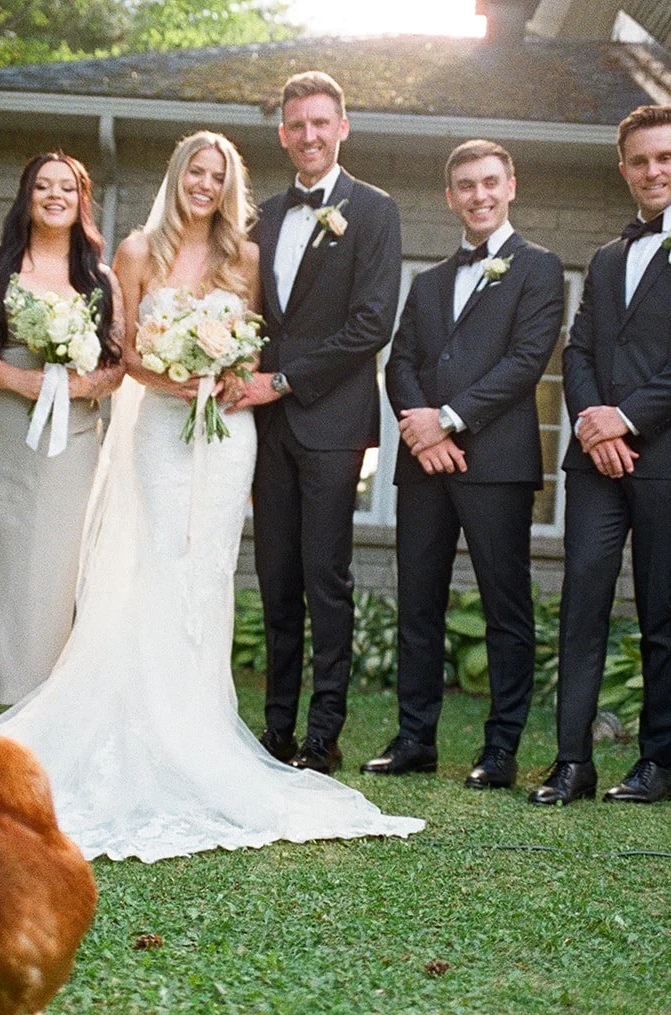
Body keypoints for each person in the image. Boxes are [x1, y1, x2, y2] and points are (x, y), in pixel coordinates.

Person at [0, 131, 423, 861]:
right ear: (176, 177)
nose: (204, 184)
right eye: (193, 172)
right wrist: (169, 370)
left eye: (216, 174)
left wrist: (229, 366)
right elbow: (126, 351)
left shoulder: (247, 255)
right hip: (157, 430)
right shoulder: (138, 251)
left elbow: (265, 340)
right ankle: (120, 716)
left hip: (226, 432)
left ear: (229, 184)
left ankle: (198, 724)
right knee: (144, 566)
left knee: (203, 575)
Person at [530, 106, 671, 807]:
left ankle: (657, 765)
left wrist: (625, 418)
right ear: (623, 168)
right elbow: (583, 348)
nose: (652, 171)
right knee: (583, 598)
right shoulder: (606, 255)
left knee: (662, 603)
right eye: (638, 160)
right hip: (596, 461)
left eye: (665, 158)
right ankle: (573, 762)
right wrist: (595, 427)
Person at [365, 140, 563, 790]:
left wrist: (446, 421)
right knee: (417, 602)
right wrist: (422, 434)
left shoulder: (539, 269)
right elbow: (401, 363)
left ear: (511, 185)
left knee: (505, 607)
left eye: (489, 183)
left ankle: (500, 749)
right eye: (466, 186)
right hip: (424, 467)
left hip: (495, 464)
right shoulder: (427, 282)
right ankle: (415, 738)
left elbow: (525, 361)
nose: (478, 195)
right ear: (451, 197)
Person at [225, 71, 402, 775]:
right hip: (264, 430)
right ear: (283, 134)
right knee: (274, 576)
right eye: (296, 124)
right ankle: (275, 728)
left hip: (330, 424)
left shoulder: (376, 211)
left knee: (325, 578)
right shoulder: (261, 217)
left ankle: (322, 733)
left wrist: (285, 379)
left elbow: (371, 324)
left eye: (320, 122)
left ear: (343, 127)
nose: (309, 135)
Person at [0, 152, 125, 725]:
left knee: (52, 568)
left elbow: (116, 366)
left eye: (66, 187)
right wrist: (22, 381)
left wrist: (77, 383)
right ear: (27, 195)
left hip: (71, 439)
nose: (54, 195)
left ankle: (39, 709)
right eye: (43, 185)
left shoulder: (99, 277)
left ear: (81, 200)